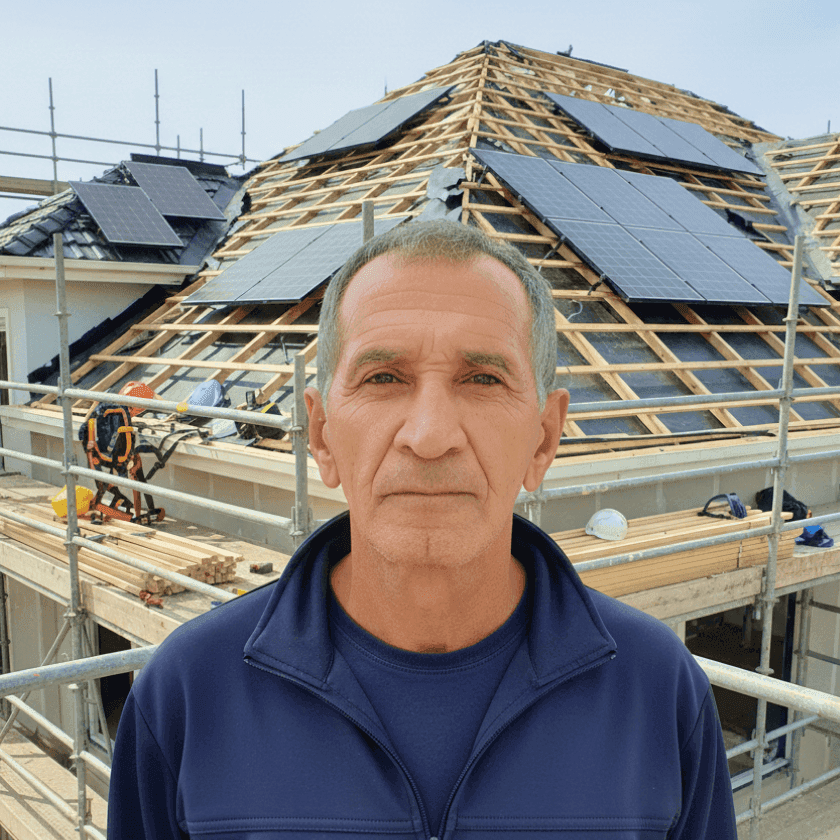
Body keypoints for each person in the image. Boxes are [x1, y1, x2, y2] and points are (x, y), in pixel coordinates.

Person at [108, 220, 737, 839]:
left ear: (543, 440)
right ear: (322, 435)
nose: (430, 435)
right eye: (383, 378)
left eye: (483, 379)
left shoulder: (659, 693)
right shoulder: (187, 697)